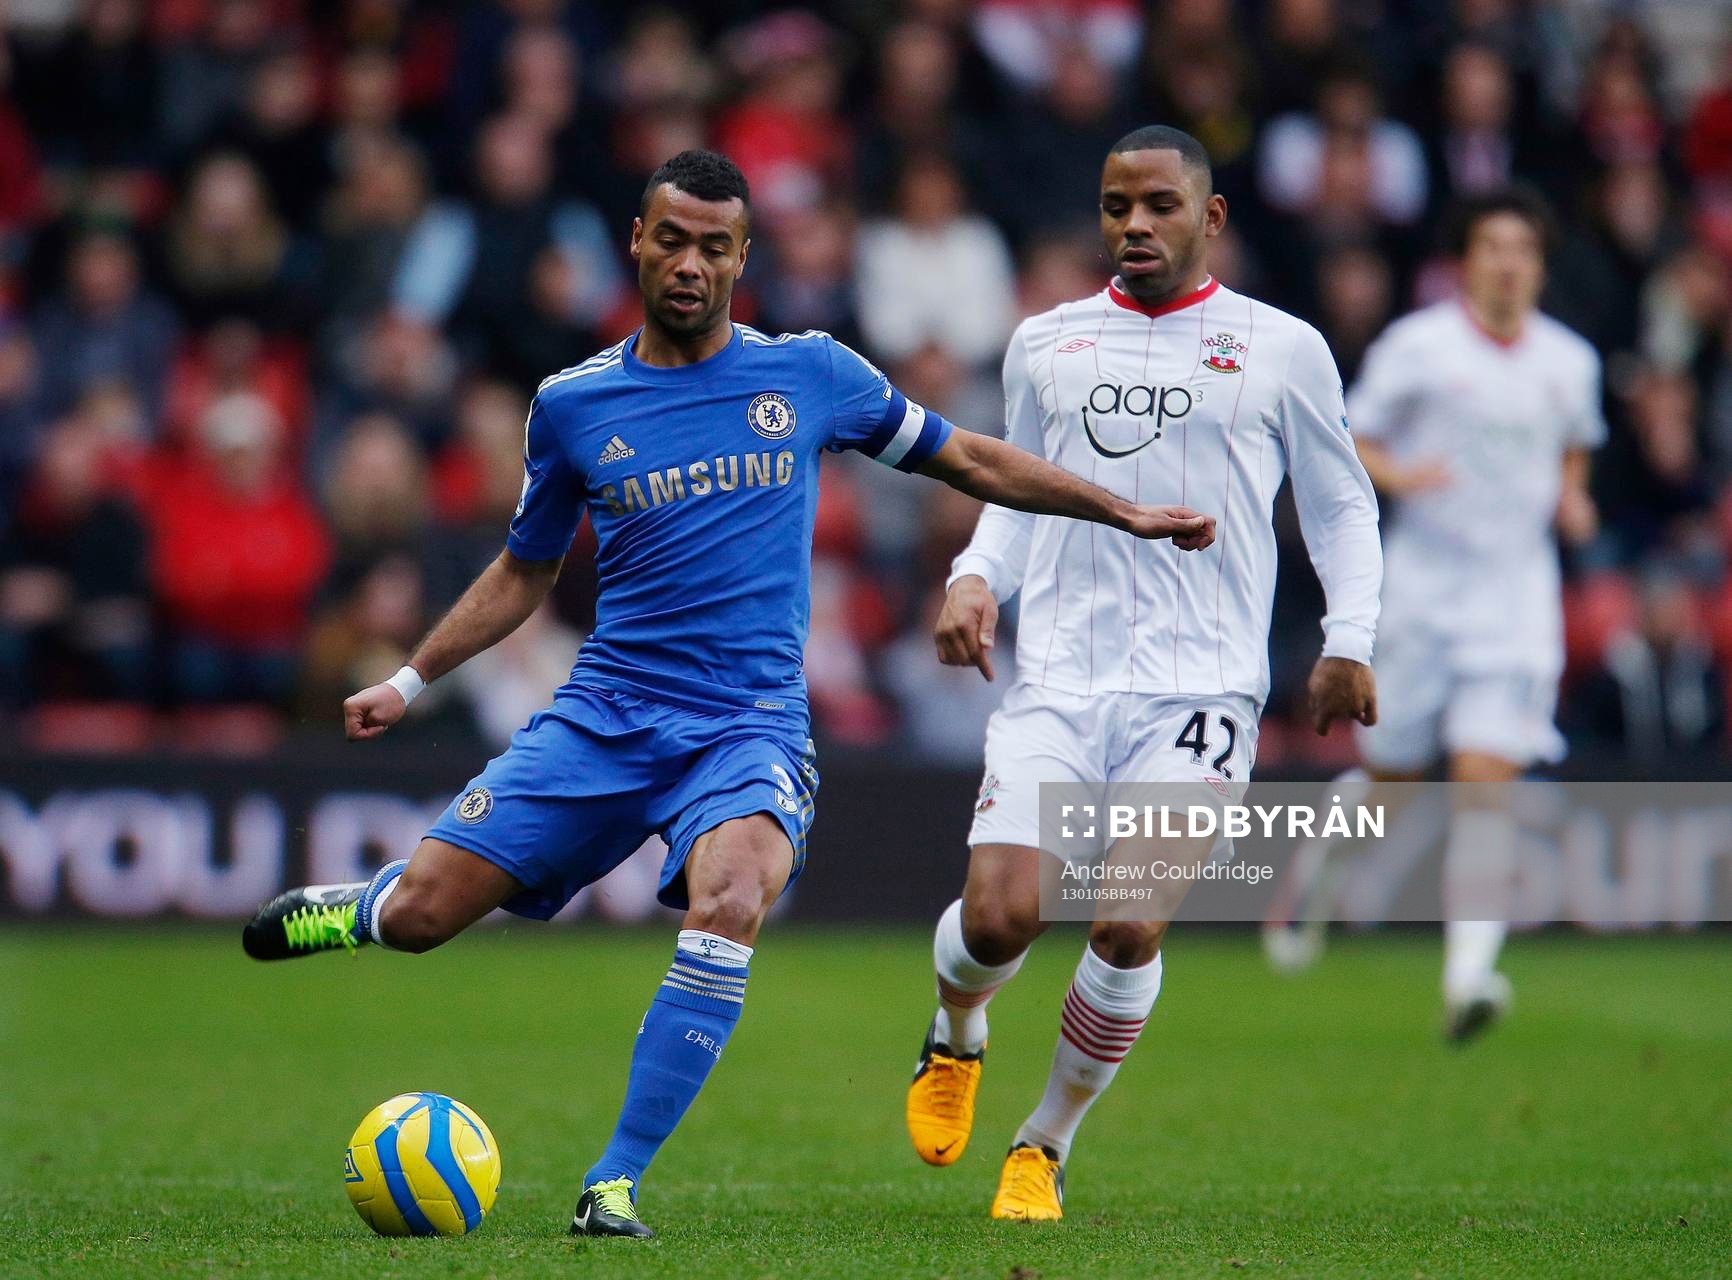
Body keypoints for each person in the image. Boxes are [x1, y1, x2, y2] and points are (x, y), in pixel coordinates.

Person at [240, 150, 1217, 1239]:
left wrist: (1117, 509)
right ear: (637, 242)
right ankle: (364, 907)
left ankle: (612, 1181)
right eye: (674, 239)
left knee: (734, 894)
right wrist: (412, 675)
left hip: (746, 727)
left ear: (744, 257)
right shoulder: (574, 403)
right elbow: (524, 568)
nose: (693, 263)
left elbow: (973, 460)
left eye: (716, 245)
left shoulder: (809, 374)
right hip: (604, 713)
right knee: (425, 917)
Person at [904, 125, 1383, 1221]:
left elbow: (1343, 500)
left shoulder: (1281, 347)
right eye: (1118, 205)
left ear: (1208, 218)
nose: (1134, 224)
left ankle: (1044, 1140)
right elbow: (1013, 493)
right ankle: (957, 1028)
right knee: (997, 921)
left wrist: (1349, 635)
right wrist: (977, 576)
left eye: (1159, 205)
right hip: (1060, 677)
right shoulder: (1047, 344)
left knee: (1126, 921)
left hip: (1203, 688)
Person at [1262, 187, 1604, 1044]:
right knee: (1393, 785)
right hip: (1422, 589)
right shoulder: (1420, 347)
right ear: (1466, 260)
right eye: (1493, 246)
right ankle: (1321, 870)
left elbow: (1572, 447)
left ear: (1539, 264)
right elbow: (1352, 438)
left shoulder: (1569, 361)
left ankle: (1469, 979)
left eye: (1523, 249)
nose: (1509, 262)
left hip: (1516, 597)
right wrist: (1400, 475)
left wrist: (1572, 500)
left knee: (1488, 780)